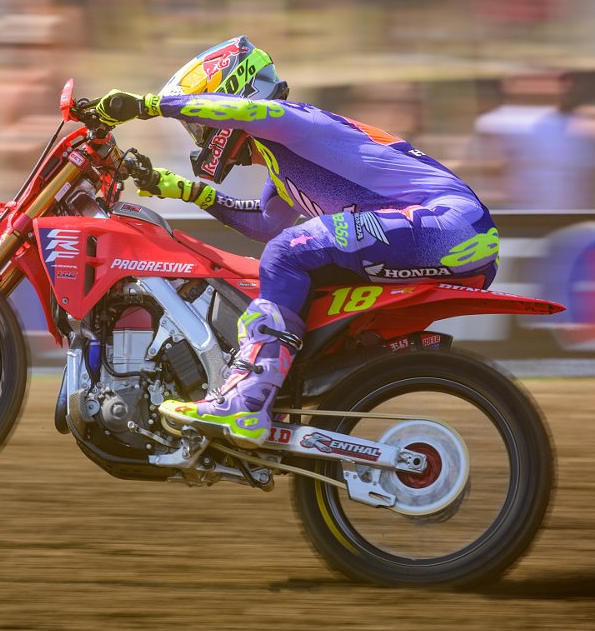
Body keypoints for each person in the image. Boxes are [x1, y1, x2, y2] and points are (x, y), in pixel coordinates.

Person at [91, 36, 499, 447]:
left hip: (450, 225)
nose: (199, 135)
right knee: (293, 268)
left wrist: (147, 105)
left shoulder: (295, 120)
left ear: (233, 93)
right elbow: (265, 223)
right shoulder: (280, 161)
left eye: (198, 122)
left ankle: (247, 402)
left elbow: (246, 113)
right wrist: (182, 189)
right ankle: (271, 398)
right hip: (446, 232)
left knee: (287, 252)